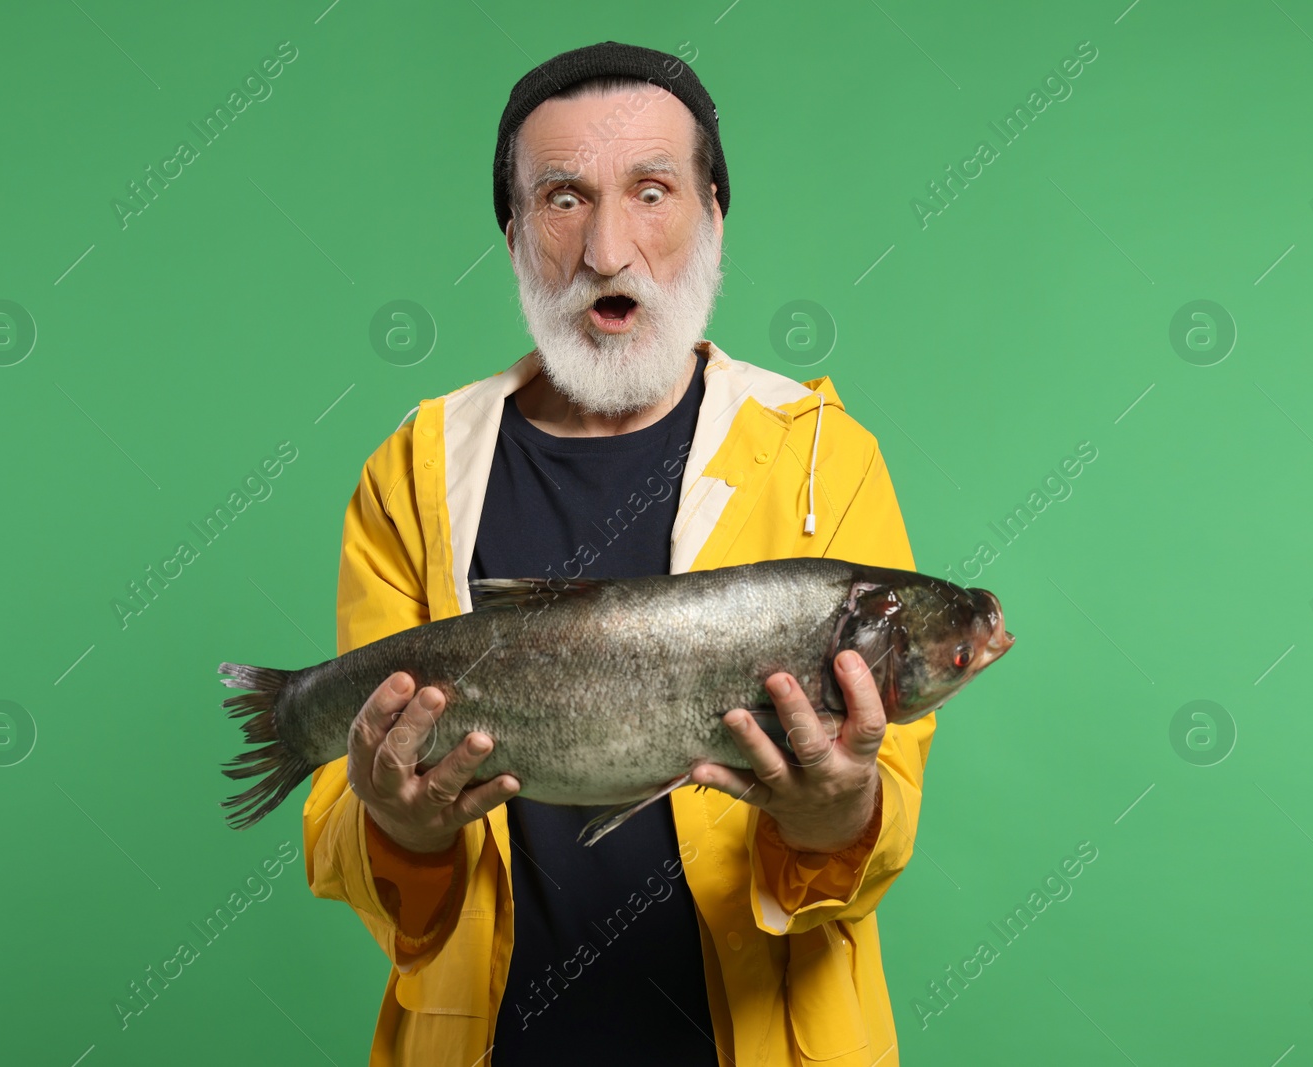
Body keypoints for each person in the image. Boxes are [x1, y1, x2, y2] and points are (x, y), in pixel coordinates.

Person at [302, 41, 934, 1066]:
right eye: (561, 198)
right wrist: (401, 828)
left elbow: (884, 800)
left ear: (714, 212)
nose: (607, 248)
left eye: (651, 191)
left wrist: (837, 811)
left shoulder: (823, 456)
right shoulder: (409, 473)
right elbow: (346, 829)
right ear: (511, 231)